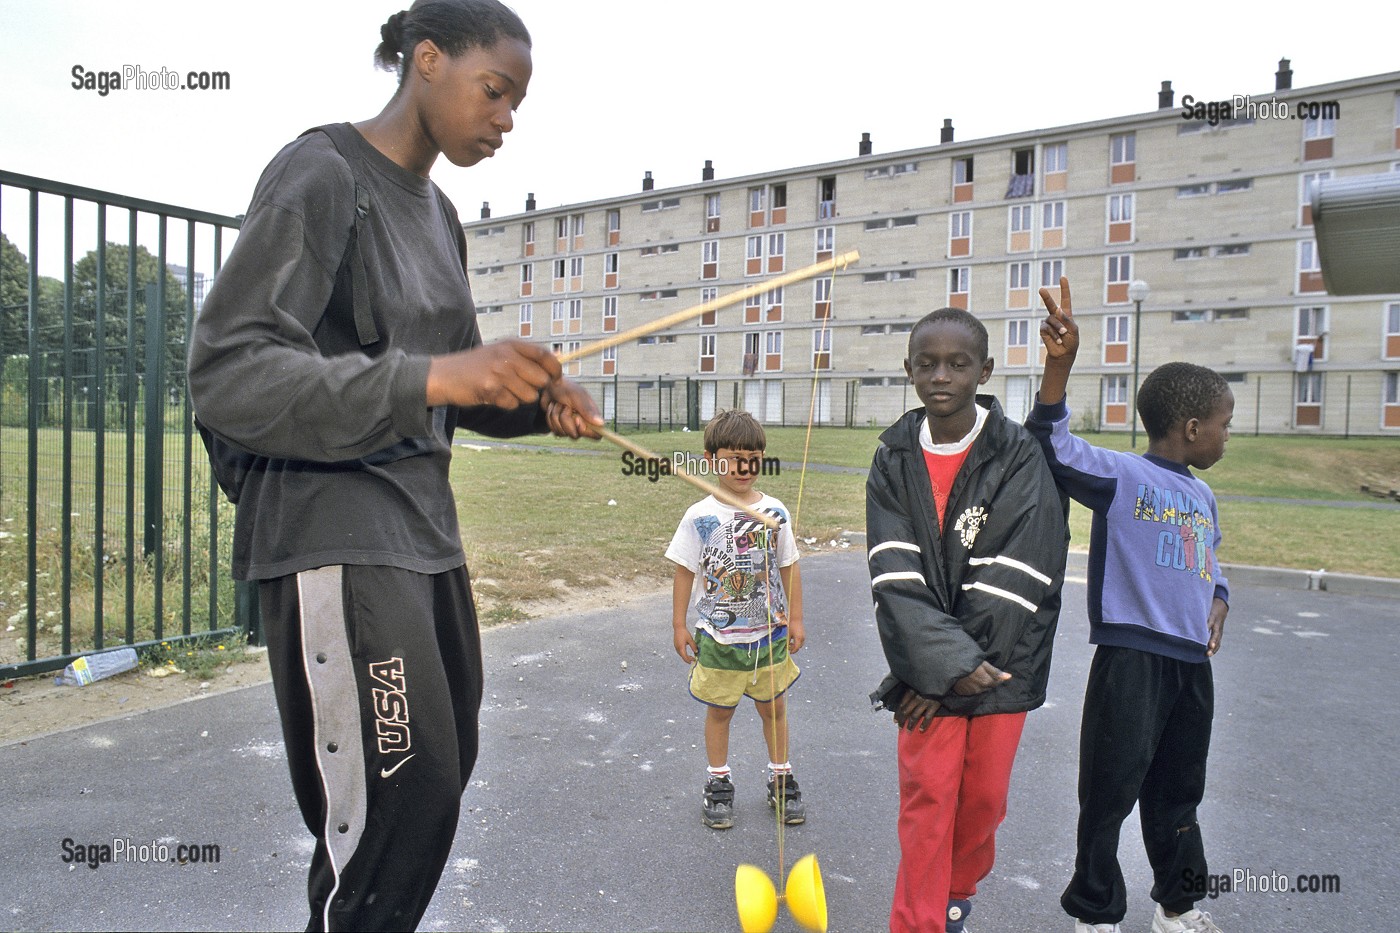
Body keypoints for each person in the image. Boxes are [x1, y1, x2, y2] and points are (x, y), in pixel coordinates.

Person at [186, 3, 600, 930]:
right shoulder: (322, 173)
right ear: (426, 61)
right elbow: (229, 370)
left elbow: (453, 388)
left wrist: (537, 408)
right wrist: (439, 372)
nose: (506, 119)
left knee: (432, 792)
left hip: (423, 536)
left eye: (517, 103)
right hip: (333, 531)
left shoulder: (441, 216)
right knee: (390, 810)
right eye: (495, 91)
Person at [1026, 278, 1230, 933]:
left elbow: (1208, 563)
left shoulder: (1204, 497)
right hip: (1132, 658)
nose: (1227, 435)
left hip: (1189, 665)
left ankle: (1178, 903)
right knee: (1109, 793)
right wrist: (1059, 368)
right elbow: (1052, 445)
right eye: (1224, 424)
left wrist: (1220, 595)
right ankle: (1095, 910)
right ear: (1193, 426)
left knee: (1179, 793)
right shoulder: (1124, 476)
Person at [866, 307, 1068, 933]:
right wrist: (938, 674)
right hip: (929, 678)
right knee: (927, 804)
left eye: (957, 364)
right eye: (927, 364)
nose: (941, 376)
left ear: (984, 371)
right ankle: (918, 922)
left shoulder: (1017, 454)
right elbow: (894, 575)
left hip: (1004, 665)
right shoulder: (893, 459)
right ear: (908, 371)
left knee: (982, 802)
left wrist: (958, 672)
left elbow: (1022, 569)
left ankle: (958, 891)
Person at [665, 409, 806, 830]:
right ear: (711, 460)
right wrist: (678, 625)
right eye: (733, 457)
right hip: (718, 638)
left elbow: (790, 566)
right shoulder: (698, 515)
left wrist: (796, 618)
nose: (743, 467)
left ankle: (781, 777)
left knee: (774, 709)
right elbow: (684, 570)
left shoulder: (775, 511)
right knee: (719, 713)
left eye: (753, 457)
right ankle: (718, 783)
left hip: (768, 636)